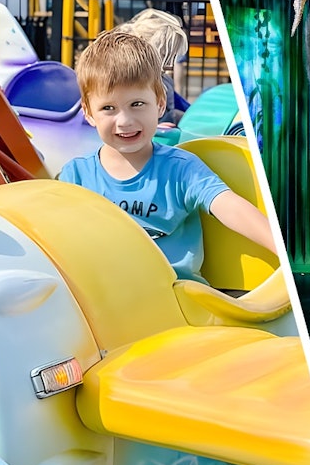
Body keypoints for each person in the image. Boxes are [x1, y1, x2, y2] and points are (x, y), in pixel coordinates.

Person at [58, 31, 276, 282]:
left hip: (176, 295)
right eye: (108, 108)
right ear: (88, 113)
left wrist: (276, 246)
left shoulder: (182, 169)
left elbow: (230, 207)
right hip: (106, 298)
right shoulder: (75, 176)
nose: (125, 121)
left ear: (160, 104)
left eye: (137, 104)